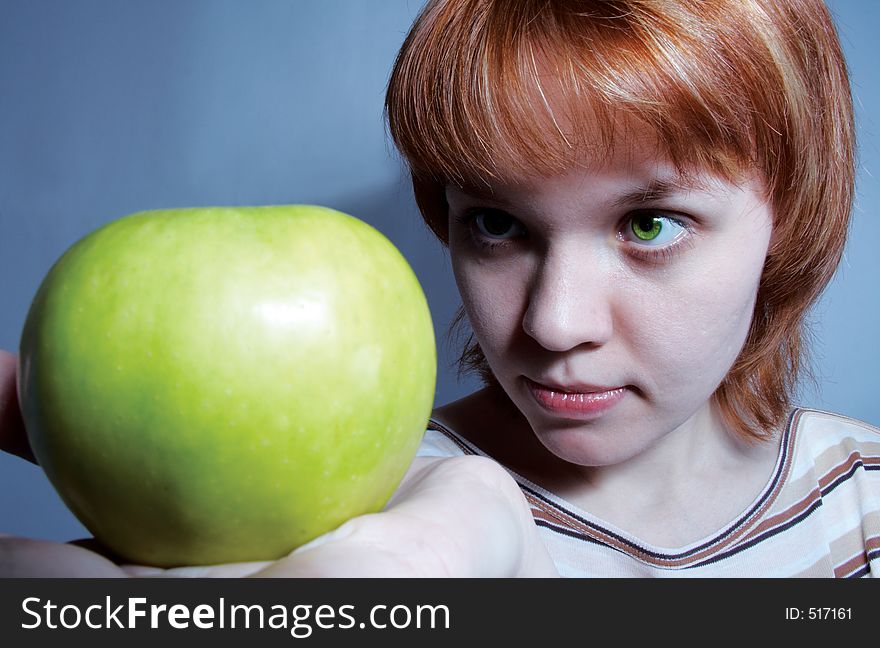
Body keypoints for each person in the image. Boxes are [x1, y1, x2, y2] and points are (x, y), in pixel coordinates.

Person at [1, 0, 877, 577]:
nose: (553, 322)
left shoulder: (864, 496)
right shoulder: (367, 503)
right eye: (496, 224)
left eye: (648, 223)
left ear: (790, 216)